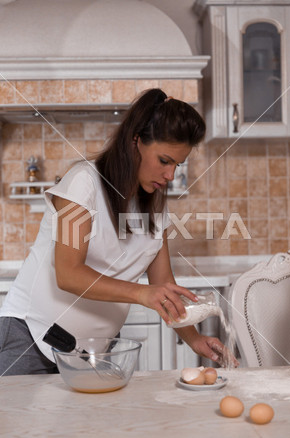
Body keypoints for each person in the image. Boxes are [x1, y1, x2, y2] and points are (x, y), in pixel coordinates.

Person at [0, 88, 238, 375]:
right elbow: (69, 274)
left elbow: (162, 283)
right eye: (164, 160)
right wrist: (142, 294)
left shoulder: (155, 207)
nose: (171, 175)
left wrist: (194, 339)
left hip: (89, 355)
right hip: (29, 340)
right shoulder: (83, 184)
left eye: (178, 164)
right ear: (135, 141)